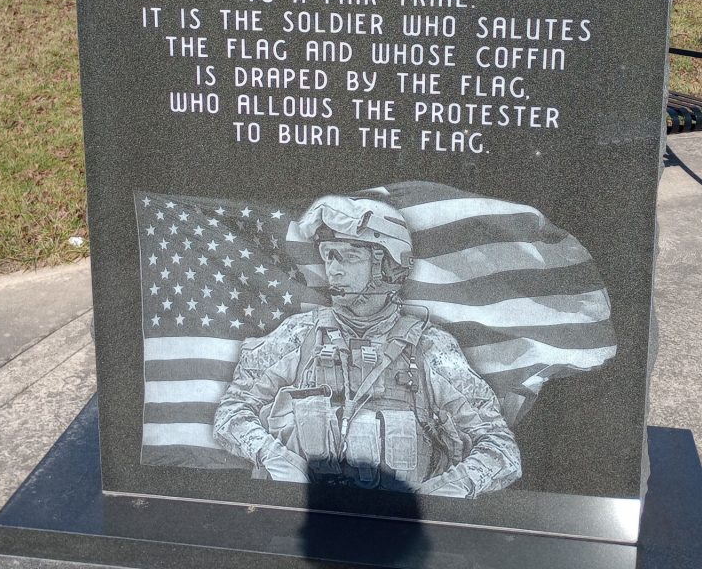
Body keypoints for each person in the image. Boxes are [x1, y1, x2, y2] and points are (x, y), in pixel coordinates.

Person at [213, 195, 521, 497]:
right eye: (329, 256)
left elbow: (500, 448)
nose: (333, 269)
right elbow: (232, 412)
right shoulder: (298, 334)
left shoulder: (431, 348)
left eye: (349, 257)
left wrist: (443, 494)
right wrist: (276, 459)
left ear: (389, 267)